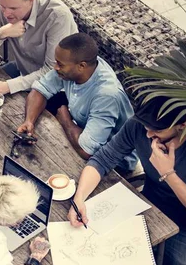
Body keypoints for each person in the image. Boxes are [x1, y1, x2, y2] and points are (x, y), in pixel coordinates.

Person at [68, 96, 186, 265]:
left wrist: (168, 173)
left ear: (182, 124)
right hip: (150, 207)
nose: (148, 134)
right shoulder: (141, 125)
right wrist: (80, 197)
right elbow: (103, 159)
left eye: (156, 130)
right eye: (145, 126)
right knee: (93, 249)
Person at [17, 33, 137, 171]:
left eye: (60, 64)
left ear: (81, 66)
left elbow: (87, 150)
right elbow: (40, 89)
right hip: (84, 135)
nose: (56, 67)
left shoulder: (106, 95)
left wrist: (65, 121)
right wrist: (29, 121)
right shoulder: (73, 68)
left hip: (114, 162)